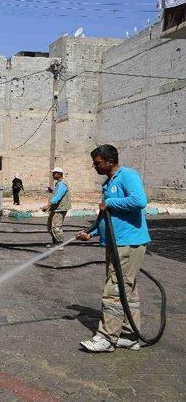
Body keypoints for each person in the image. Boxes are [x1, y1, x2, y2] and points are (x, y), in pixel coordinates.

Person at [76, 144, 151, 353]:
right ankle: (128, 335)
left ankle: (107, 338)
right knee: (127, 290)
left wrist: (110, 202)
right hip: (116, 243)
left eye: (97, 162)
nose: (95, 166)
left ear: (110, 161)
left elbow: (139, 201)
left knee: (115, 290)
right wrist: (91, 233)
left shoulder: (127, 175)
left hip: (129, 243)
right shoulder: (109, 183)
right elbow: (107, 217)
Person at [41, 167, 71, 248]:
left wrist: (48, 205)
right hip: (56, 208)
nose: (53, 175)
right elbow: (57, 193)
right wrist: (52, 191)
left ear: (60, 174)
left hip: (60, 209)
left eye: (55, 173)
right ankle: (55, 242)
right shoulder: (59, 183)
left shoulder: (62, 184)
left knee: (56, 227)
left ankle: (60, 244)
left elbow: (58, 197)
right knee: (51, 226)